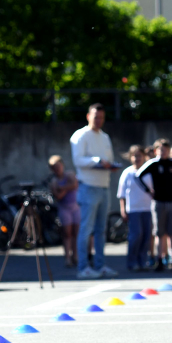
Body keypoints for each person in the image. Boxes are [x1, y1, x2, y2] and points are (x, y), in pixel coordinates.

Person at [70, 103, 119, 279]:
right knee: (86, 229)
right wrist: (97, 160)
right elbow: (78, 160)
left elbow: (110, 159)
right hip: (88, 187)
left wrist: (110, 165)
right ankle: (83, 267)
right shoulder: (80, 135)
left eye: (101, 118)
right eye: (96, 117)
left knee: (101, 230)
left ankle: (100, 265)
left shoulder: (105, 137)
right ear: (88, 116)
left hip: (104, 186)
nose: (99, 121)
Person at [138, 139, 172, 271]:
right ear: (156, 151)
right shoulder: (153, 164)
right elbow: (139, 176)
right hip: (159, 201)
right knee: (160, 232)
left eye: (166, 150)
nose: (163, 152)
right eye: (161, 150)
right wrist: (148, 191)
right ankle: (160, 259)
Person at [117, 145, 152, 272]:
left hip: (147, 209)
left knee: (146, 236)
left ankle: (143, 261)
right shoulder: (127, 173)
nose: (137, 158)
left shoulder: (149, 172)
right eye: (134, 156)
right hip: (133, 210)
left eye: (139, 155)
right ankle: (132, 262)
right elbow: (121, 194)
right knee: (136, 235)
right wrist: (123, 209)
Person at [48, 155, 80, 268]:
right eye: (54, 168)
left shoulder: (69, 174)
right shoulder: (54, 182)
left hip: (75, 207)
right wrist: (67, 187)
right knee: (67, 233)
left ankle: (75, 256)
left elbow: (75, 184)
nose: (57, 169)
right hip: (64, 208)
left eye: (58, 166)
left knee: (76, 233)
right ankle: (67, 257)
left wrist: (63, 188)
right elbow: (59, 196)